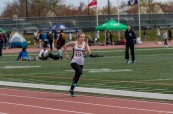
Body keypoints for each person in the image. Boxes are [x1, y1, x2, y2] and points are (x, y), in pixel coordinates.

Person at [64, 32, 91, 97]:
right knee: (79, 71)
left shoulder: (85, 44)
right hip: (74, 61)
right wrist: (66, 54)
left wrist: (87, 47)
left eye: (83, 37)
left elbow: (89, 53)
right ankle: (74, 80)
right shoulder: (74, 43)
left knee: (77, 79)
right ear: (78, 38)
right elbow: (65, 45)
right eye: (81, 37)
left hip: (81, 63)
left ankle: (71, 89)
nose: (82, 38)